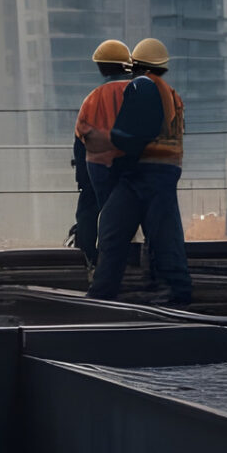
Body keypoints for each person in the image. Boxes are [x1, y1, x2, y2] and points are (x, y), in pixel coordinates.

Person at [87, 38, 191, 306]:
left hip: (144, 170)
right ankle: (174, 290)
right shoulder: (171, 93)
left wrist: (106, 141)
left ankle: (105, 293)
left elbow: (133, 133)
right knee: (159, 229)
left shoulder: (141, 86)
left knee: (117, 229)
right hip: (164, 169)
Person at [69, 40, 134, 274]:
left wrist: (82, 179)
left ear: (101, 67)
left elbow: (80, 139)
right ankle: (137, 261)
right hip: (132, 169)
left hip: (97, 169)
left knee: (89, 210)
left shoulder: (92, 98)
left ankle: (89, 259)